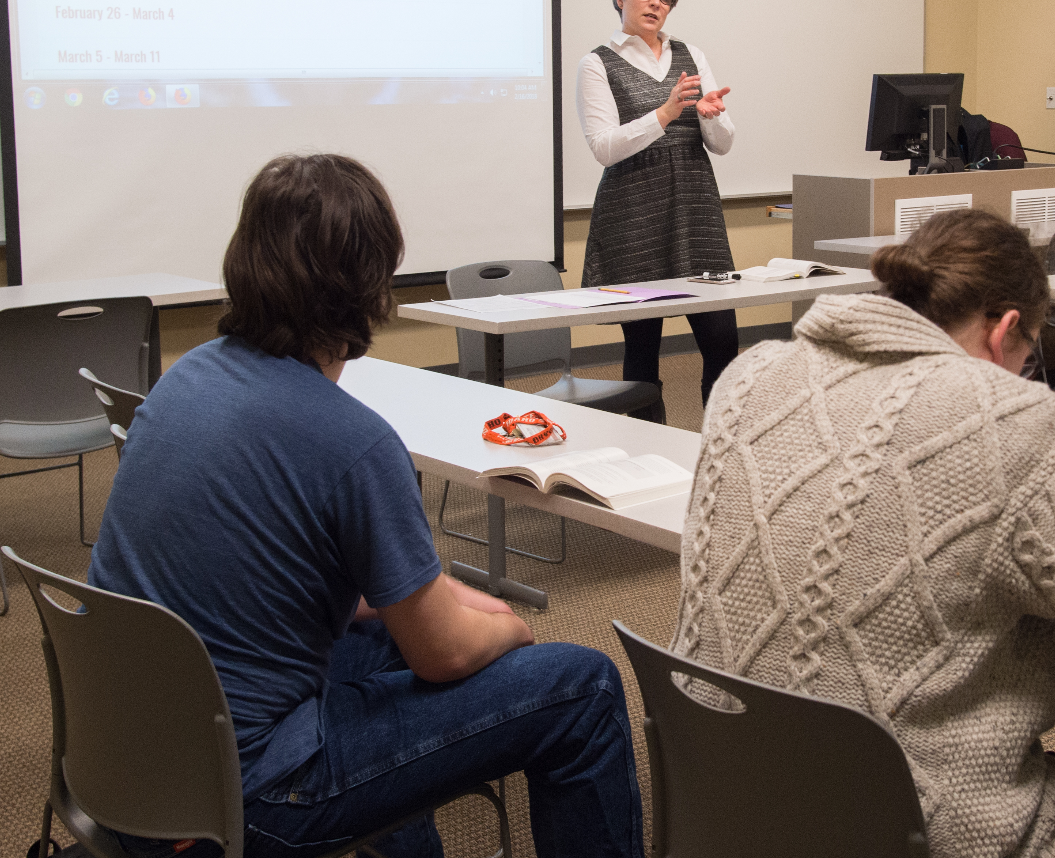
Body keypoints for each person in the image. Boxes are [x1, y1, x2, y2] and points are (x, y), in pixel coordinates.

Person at [671, 209, 1055, 858]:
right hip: (924, 830)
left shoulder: (746, 376)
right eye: (1027, 353)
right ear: (1006, 330)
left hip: (727, 809)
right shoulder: (1008, 416)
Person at [88, 154, 644, 858]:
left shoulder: (184, 381)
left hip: (128, 766)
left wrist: (444, 599)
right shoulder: (355, 443)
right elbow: (443, 654)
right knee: (581, 685)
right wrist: (510, 631)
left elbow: (310, 579)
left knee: (380, 642)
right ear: (367, 285)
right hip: (247, 797)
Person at [577, 0, 738, 419]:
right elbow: (604, 147)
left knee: (723, 342)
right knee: (643, 351)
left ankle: (719, 453)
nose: (656, 3)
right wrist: (666, 113)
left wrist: (713, 116)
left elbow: (723, 144)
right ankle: (650, 459)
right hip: (635, 214)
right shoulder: (597, 64)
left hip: (695, 211)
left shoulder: (691, 56)